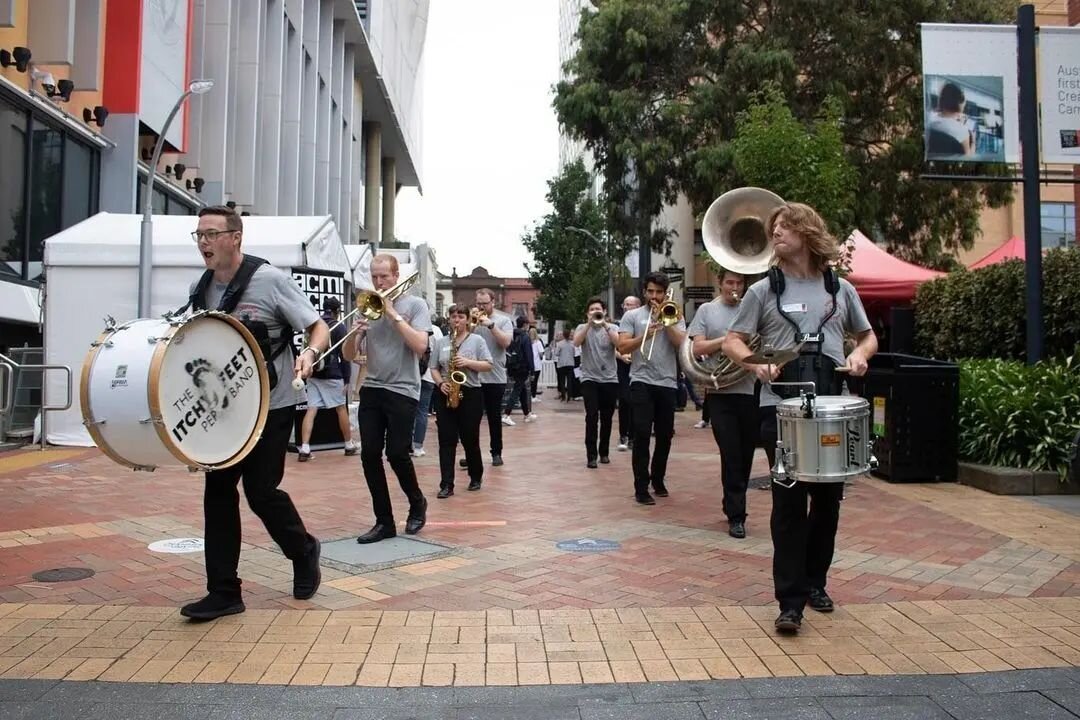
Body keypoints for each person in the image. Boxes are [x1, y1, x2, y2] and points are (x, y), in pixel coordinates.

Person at [723, 202, 877, 635]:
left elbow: (867, 336)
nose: (776, 233)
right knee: (788, 504)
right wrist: (755, 364)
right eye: (774, 227)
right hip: (782, 407)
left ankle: (816, 582)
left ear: (808, 232)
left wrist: (860, 355)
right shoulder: (762, 290)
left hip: (831, 407)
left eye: (786, 226)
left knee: (827, 502)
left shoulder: (839, 289)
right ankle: (789, 602)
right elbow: (734, 340)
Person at [180, 205, 325, 620]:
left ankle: (303, 549)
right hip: (226, 412)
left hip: (274, 403)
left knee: (261, 492)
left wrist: (310, 354)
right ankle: (224, 591)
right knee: (218, 494)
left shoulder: (270, 280)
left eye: (211, 234)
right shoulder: (200, 288)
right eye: (199, 235)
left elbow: (317, 326)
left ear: (235, 237)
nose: (204, 242)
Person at [342, 254, 431, 544]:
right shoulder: (368, 306)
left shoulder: (415, 305)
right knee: (369, 455)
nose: (379, 282)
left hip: (403, 388)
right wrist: (355, 334)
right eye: (375, 276)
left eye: (384, 276)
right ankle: (384, 521)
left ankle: (417, 502)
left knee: (396, 453)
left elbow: (420, 345)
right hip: (373, 386)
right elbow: (348, 356)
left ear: (396, 276)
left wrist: (392, 314)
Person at [688, 270, 755, 539]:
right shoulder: (707, 310)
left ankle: (732, 504)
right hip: (720, 391)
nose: (734, 287)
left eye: (739, 283)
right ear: (720, 284)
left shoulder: (751, 308)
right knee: (730, 453)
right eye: (730, 282)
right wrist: (728, 341)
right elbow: (696, 349)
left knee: (746, 453)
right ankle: (737, 516)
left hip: (749, 391)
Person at [617, 273, 687, 505]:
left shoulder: (674, 313)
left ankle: (658, 478)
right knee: (642, 433)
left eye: (658, 292)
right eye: (650, 291)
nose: (654, 296)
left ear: (665, 292)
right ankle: (641, 486)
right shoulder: (633, 315)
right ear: (644, 292)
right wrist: (647, 335)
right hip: (641, 380)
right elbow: (623, 345)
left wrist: (666, 324)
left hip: (667, 381)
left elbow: (682, 344)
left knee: (665, 435)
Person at [431, 304, 493, 497]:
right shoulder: (441, 342)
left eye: (460, 317)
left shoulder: (477, 340)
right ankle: (446, 484)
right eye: (453, 317)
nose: (456, 320)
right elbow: (433, 367)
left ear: (467, 319)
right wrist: (441, 383)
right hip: (446, 392)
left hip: (470, 393)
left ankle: (476, 476)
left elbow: (488, 365)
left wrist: (467, 363)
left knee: (469, 438)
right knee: (446, 440)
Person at [298, 296, 359, 461]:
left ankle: (304, 448)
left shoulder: (315, 325)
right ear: (337, 311)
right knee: (340, 408)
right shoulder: (338, 326)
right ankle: (348, 444)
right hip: (332, 374)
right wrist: (347, 379)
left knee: (311, 409)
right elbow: (344, 355)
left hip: (314, 374)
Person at [574, 298, 621, 468]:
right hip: (589, 378)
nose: (595, 311)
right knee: (592, 416)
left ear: (605, 311)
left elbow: (619, 344)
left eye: (598, 309)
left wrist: (606, 325)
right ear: (587, 313)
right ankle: (591, 455)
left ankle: (604, 452)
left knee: (607, 418)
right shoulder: (582, 328)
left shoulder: (613, 328)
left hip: (610, 379)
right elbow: (576, 342)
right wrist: (588, 324)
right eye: (592, 309)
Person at [470, 288, 514, 467]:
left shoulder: (503, 320)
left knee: (494, 418)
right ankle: (471, 454)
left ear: (492, 302)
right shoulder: (472, 320)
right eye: (478, 303)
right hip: (474, 377)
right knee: (471, 419)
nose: (481, 307)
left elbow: (505, 343)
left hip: (495, 377)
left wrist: (489, 325)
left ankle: (496, 452)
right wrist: (471, 324)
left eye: (485, 303)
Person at [412, 321, 444, 457]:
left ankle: (407, 444)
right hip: (429, 375)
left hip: (411, 374)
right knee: (422, 411)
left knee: (407, 410)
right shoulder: (436, 330)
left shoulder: (411, 327)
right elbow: (441, 353)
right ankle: (418, 446)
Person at [616, 295, 641, 451]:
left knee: (635, 402)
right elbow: (614, 347)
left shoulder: (642, 323)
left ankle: (633, 436)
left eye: (630, 305)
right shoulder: (617, 325)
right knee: (624, 401)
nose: (626, 307)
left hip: (638, 366)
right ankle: (623, 434)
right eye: (625, 305)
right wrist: (622, 355)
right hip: (623, 367)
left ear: (637, 307)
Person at [502, 315, 537, 425]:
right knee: (517, 390)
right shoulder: (525, 337)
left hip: (513, 366)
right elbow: (529, 354)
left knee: (521, 389)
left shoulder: (512, 335)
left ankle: (527, 414)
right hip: (523, 367)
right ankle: (506, 414)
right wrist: (532, 369)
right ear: (525, 324)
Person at [554, 329, 576, 401]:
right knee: (569, 381)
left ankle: (563, 396)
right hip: (570, 363)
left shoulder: (559, 344)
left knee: (562, 381)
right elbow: (574, 353)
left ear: (563, 335)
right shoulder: (572, 343)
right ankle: (569, 395)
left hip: (562, 364)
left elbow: (556, 353)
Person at [529, 327, 545, 400]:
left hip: (529, 364)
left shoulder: (527, 341)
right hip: (537, 364)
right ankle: (533, 396)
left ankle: (529, 395)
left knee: (529, 381)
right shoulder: (538, 342)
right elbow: (541, 353)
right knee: (535, 381)